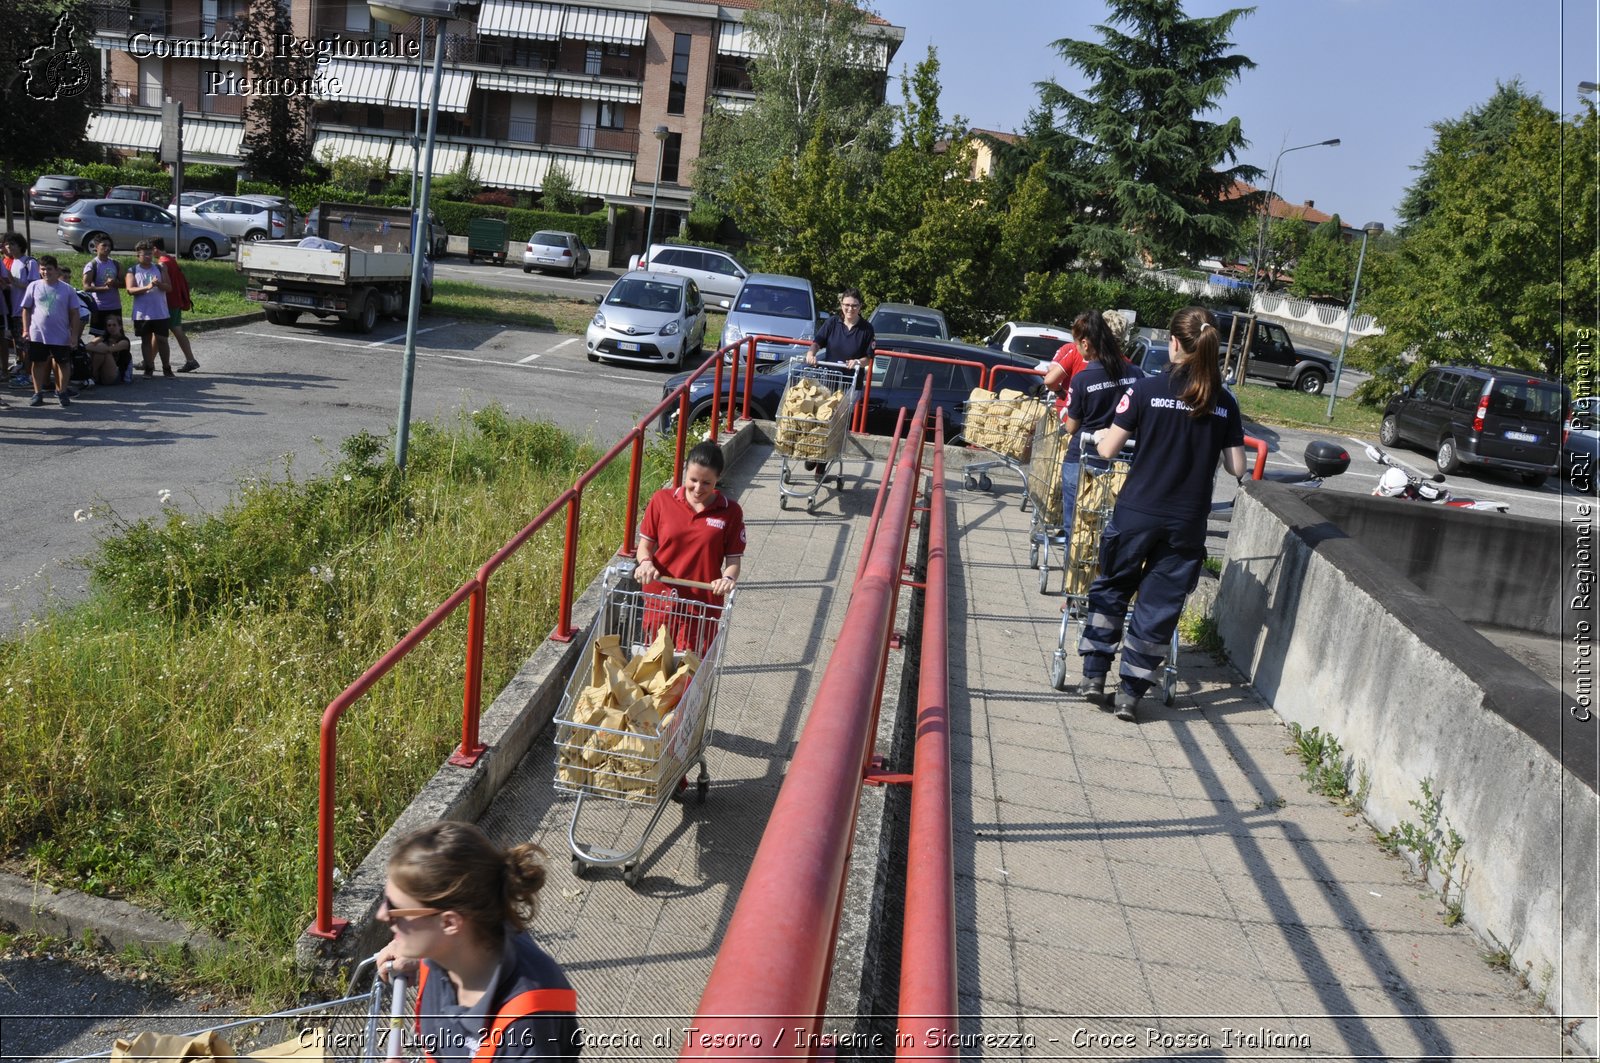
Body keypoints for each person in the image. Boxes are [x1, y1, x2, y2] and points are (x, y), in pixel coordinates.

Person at [1077, 306, 1247, 722]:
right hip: (1186, 521)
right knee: (1158, 607)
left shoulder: (1146, 389)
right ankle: (1131, 695)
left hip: (1136, 512)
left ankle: (1095, 676)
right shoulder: (1222, 401)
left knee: (1113, 587)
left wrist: (1099, 437)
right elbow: (1237, 468)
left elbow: (1109, 449)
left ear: (1173, 342)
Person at [375, 822, 580, 1062]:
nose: (381, 915)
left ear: (450, 923)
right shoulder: (474, 930)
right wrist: (420, 957)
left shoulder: (525, 1035)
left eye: (396, 910)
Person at [634, 440, 744, 653]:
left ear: (718, 479)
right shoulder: (661, 500)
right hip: (661, 598)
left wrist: (728, 579)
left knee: (690, 671)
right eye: (693, 480)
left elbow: (733, 560)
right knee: (654, 666)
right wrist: (646, 563)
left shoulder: (730, 512)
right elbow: (644, 547)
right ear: (685, 472)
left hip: (701, 605)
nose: (697, 489)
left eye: (707, 483)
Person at [1059, 310, 1144, 536]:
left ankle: (1075, 569)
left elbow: (1072, 426)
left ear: (1086, 344)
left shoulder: (1082, 379)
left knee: (1077, 528)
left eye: (1076, 343)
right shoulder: (1136, 374)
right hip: (1125, 462)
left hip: (1085, 458)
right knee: (1115, 527)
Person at [19, 255, 85, 408]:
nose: (46, 272)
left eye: (49, 269)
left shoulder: (67, 289)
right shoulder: (34, 286)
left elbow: (75, 314)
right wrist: (25, 330)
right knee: (38, 363)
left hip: (60, 334)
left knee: (63, 363)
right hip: (38, 333)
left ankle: (61, 391)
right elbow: (26, 309)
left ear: (56, 270)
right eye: (43, 269)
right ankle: (38, 393)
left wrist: (74, 336)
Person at [151, 238, 199, 372]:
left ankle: (190, 360)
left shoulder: (162, 263)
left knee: (171, 331)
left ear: (155, 249)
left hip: (168, 302)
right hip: (175, 300)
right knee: (164, 331)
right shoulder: (170, 259)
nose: (150, 254)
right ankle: (149, 361)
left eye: (150, 250)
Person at [125, 241, 173, 377]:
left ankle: (166, 367)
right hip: (142, 313)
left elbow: (169, 288)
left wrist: (159, 284)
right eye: (145, 254)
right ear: (138, 255)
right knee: (146, 341)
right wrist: (148, 287)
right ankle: (149, 367)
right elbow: (130, 290)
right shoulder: (133, 270)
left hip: (160, 312)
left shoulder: (159, 268)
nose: (148, 256)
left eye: (150, 253)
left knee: (162, 340)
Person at [2, 233, 41, 384]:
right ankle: (24, 369)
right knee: (19, 344)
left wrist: (14, 282)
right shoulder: (14, 262)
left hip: (25, 310)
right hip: (14, 309)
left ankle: (29, 374)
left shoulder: (29, 263)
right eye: (7, 244)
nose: (9, 247)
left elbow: (34, 286)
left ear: (20, 245)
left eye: (12, 244)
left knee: (27, 345)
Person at [80, 237, 124, 331]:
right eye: (104, 245)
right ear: (96, 246)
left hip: (115, 307)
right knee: (99, 338)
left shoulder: (116, 264)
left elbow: (124, 284)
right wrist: (103, 288)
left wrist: (114, 283)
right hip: (99, 307)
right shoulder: (92, 265)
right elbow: (86, 287)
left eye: (109, 246)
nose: (107, 248)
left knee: (116, 337)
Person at [85, 315, 133, 386]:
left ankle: (93, 374)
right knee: (98, 348)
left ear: (120, 326)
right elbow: (88, 346)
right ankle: (93, 375)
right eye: (109, 325)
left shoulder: (124, 341)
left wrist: (95, 347)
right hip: (104, 373)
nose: (111, 327)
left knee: (102, 348)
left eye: (114, 325)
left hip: (117, 376)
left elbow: (107, 350)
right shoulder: (104, 338)